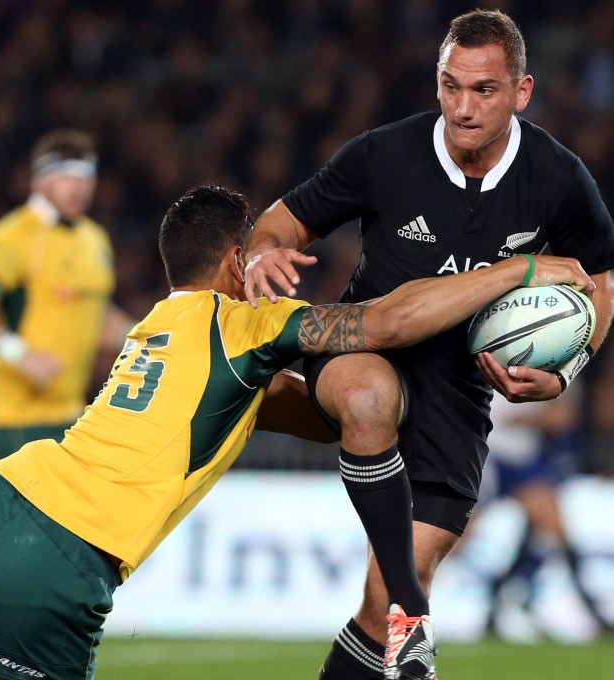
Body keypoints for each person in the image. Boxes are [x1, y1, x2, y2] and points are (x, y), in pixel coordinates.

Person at [0, 185, 590, 680]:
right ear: (238, 263)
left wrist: (378, 418)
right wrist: (517, 271)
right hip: (62, 555)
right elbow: (385, 319)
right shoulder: (244, 325)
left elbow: (296, 413)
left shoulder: (157, 327)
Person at [242, 9, 614, 680]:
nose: (464, 107)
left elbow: (603, 280)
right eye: (450, 87)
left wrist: (568, 369)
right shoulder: (385, 153)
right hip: (360, 346)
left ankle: (397, 612)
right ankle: (415, 617)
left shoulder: (558, 178)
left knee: (380, 598)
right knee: (366, 396)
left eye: (484, 90)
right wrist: (264, 252)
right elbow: (283, 221)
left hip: (461, 387)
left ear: (522, 92)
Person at [0, 129, 135, 460]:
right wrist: (20, 355)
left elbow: (94, 314)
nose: (77, 186)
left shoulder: (94, 239)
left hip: (71, 412)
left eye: (85, 176)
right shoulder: (15, 235)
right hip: (16, 416)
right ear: (39, 180)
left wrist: (144, 337)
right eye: (65, 175)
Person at [477, 390, 611, 640]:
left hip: (522, 464)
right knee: (458, 537)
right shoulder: (486, 373)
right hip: (487, 459)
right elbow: (546, 418)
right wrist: (538, 417)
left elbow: (562, 416)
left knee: (548, 529)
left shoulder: (535, 366)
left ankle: (500, 606)